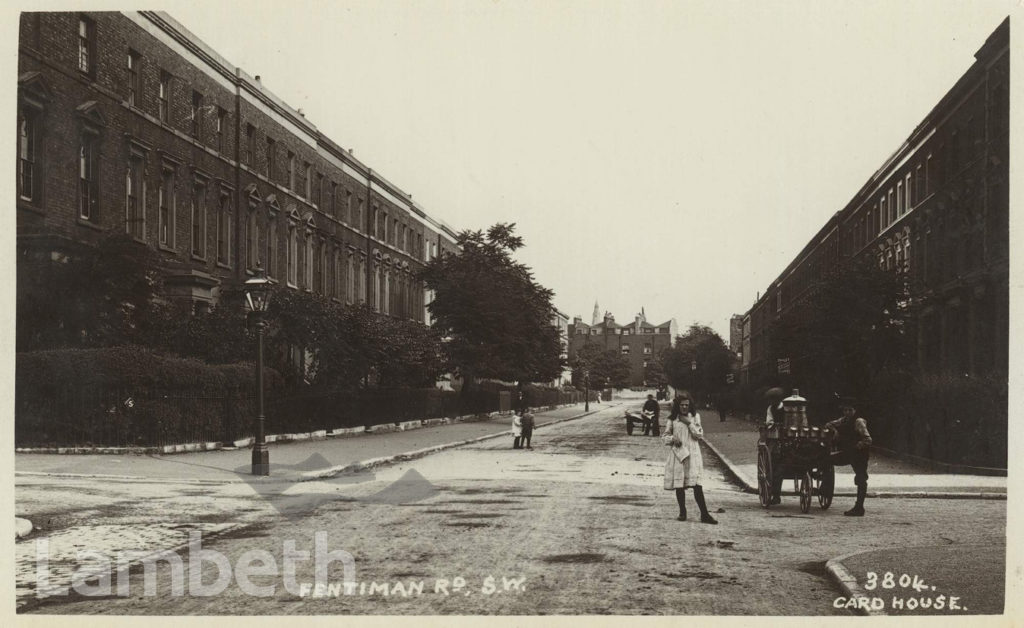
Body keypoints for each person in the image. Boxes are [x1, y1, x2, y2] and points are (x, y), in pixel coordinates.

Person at [662, 394, 717, 524]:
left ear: (690, 405)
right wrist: (672, 439)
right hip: (679, 455)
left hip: (693, 455)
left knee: (697, 485)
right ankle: (682, 512)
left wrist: (688, 423)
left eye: (687, 405)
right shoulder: (672, 420)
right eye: (682, 405)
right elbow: (664, 437)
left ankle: (704, 514)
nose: (684, 407)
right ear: (678, 406)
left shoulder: (695, 417)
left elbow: (699, 434)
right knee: (679, 485)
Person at [825, 397, 872, 516]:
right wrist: (835, 431)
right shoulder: (844, 420)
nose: (847, 412)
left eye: (850, 410)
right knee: (827, 460)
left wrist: (857, 446)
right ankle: (824, 486)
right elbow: (829, 424)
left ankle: (859, 507)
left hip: (859, 454)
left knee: (861, 478)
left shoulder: (858, 421)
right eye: (845, 410)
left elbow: (868, 439)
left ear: (854, 410)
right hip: (849, 453)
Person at [763, 387, 786, 504]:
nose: (771, 402)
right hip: (776, 437)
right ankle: (776, 494)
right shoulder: (770, 409)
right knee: (774, 462)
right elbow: (769, 422)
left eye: (773, 399)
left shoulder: (786, 407)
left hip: (788, 436)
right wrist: (772, 425)